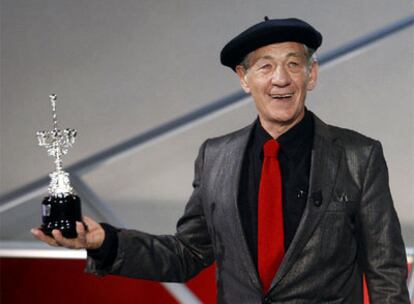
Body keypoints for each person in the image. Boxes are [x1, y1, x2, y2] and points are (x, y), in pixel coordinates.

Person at [32, 17, 410, 303]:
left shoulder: (359, 156)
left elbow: (386, 272)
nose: (281, 79)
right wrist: (104, 241)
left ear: (311, 75)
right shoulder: (216, 156)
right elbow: (188, 254)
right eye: (265, 66)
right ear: (244, 79)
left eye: (294, 64)